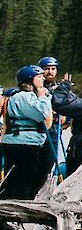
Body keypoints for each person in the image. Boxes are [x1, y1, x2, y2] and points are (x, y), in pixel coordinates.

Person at [1, 66, 54, 200]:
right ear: (30, 80)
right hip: (23, 144)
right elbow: (40, 114)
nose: (43, 78)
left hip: (29, 142)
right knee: (24, 181)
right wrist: (43, 97)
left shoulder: (28, 96)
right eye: (39, 76)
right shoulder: (23, 96)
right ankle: (18, 209)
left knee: (29, 178)